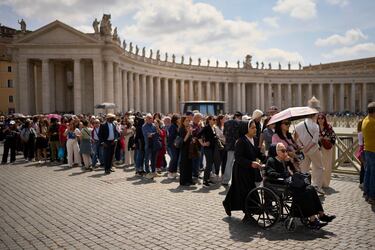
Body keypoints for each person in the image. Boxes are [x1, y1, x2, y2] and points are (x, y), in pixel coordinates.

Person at [264, 143, 336, 229]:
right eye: (283, 151)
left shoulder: (284, 160)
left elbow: (295, 171)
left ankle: (321, 214)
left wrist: (290, 162)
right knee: (305, 192)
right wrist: (284, 174)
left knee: (311, 188)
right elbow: (270, 173)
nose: (285, 152)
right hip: (279, 183)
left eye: (286, 151)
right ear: (276, 152)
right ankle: (312, 219)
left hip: (288, 182)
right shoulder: (271, 160)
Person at [222, 119, 265, 222]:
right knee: (247, 191)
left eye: (255, 127)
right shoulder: (241, 141)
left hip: (250, 170)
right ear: (246, 129)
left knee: (236, 189)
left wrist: (267, 159)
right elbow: (238, 157)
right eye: (252, 128)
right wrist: (251, 163)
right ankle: (248, 215)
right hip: (241, 170)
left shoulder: (254, 139)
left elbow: (258, 153)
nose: (255, 129)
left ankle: (227, 203)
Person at [294, 114, 325, 195]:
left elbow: (295, 138)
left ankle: (304, 186)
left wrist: (301, 146)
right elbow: (314, 141)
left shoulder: (298, 125)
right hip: (313, 150)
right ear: (314, 116)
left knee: (304, 169)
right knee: (319, 167)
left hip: (303, 149)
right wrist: (307, 148)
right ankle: (317, 186)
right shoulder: (315, 126)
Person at [222, 111, 242, 186]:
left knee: (229, 163)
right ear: (239, 117)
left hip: (229, 145)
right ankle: (237, 180)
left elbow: (224, 134)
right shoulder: (240, 123)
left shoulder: (226, 123)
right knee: (238, 163)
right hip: (238, 146)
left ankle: (226, 180)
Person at [317, 113, 336, 188]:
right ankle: (319, 182)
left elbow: (334, 137)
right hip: (318, 149)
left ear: (324, 119)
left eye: (322, 118)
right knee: (319, 166)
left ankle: (326, 183)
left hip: (327, 149)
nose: (320, 120)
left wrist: (327, 139)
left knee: (327, 166)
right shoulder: (315, 127)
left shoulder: (328, 127)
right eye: (319, 118)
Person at [197, 116, 217, 187]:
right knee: (209, 164)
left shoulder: (213, 127)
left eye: (215, 119)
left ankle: (208, 179)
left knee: (211, 164)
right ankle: (205, 181)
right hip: (207, 148)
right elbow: (198, 135)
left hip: (212, 148)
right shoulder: (206, 127)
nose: (215, 121)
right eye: (213, 119)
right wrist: (203, 143)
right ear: (209, 120)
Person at [362, 102, 375, 204]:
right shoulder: (372, 122)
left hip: (367, 149)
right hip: (373, 150)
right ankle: (372, 196)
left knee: (368, 172)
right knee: (373, 174)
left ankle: (366, 192)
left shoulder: (365, 120)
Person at [178, 116, 194, 186]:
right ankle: (183, 181)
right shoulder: (181, 129)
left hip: (189, 149)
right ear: (183, 122)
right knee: (184, 165)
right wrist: (188, 132)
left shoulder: (188, 128)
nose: (188, 122)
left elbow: (190, 138)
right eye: (186, 121)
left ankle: (189, 180)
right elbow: (183, 140)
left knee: (189, 165)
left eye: (188, 121)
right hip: (184, 149)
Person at [167, 114, 180, 178]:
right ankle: (170, 172)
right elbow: (171, 136)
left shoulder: (177, 125)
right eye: (179, 118)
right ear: (176, 119)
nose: (180, 119)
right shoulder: (173, 126)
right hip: (172, 145)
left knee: (176, 158)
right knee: (174, 158)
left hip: (176, 145)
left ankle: (174, 172)